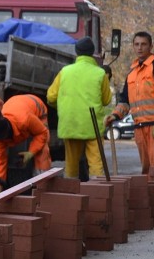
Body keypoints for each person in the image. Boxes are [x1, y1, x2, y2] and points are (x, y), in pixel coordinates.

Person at [103, 31, 154, 173]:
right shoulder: (132, 73)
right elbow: (125, 100)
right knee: (146, 168)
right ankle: (149, 195)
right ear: (133, 46)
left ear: (151, 46)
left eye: (143, 44)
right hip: (139, 127)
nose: (140, 48)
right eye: (136, 44)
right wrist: (115, 115)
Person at [47, 36, 112, 178]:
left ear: (77, 52)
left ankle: (71, 196)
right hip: (93, 125)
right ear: (92, 52)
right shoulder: (100, 73)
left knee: (71, 165)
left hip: (70, 123)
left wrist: (61, 105)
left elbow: (51, 97)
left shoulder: (65, 71)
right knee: (96, 164)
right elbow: (107, 100)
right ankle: (98, 194)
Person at [0, 94, 52, 184]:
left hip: (37, 109)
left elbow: (42, 133)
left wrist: (31, 152)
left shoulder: (25, 119)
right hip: (16, 104)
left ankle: (42, 182)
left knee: (42, 149)